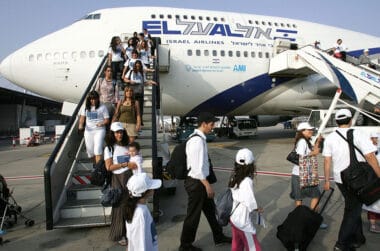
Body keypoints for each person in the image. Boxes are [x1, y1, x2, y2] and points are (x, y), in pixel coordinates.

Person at [323, 109, 380, 251]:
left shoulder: (330, 137)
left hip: (340, 179)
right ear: (350, 120)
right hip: (358, 178)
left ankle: (358, 238)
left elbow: (327, 161)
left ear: (336, 121)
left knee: (354, 206)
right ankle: (341, 244)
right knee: (352, 210)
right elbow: (371, 157)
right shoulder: (359, 134)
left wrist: (327, 180)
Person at [179, 112, 231, 251]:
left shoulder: (199, 138)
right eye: (211, 124)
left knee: (211, 211)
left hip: (199, 181)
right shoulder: (197, 141)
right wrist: (207, 186)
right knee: (193, 216)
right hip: (197, 183)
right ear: (203, 124)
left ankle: (218, 237)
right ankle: (185, 245)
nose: (213, 127)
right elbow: (196, 168)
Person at [104, 122, 137, 245]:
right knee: (118, 206)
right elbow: (109, 167)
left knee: (129, 204)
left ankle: (130, 232)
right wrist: (124, 164)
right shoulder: (109, 148)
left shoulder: (127, 145)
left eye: (121, 132)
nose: (120, 134)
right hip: (117, 178)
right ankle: (119, 235)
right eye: (117, 132)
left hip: (129, 176)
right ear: (112, 134)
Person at [229, 148, 263, 251]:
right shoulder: (247, 181)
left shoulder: (234, 176)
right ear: (251, 164)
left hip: (234, 217)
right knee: (254, 248)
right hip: (243, 222)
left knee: (237, 245)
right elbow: (249, 201)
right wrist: (258, 209)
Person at [126, 172, 162, 251]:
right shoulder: (140, 213)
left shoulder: (137, 207)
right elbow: (139, 245)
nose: (153, 189)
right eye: (151, 187)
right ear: (145, 192)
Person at [290, 123, 322, 210]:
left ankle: (308, 219)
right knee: (312, 196)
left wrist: (318, 141)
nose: (311, 131)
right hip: (301, 175)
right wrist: (313, 153)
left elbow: (311, 151)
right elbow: (301, 156)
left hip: (305, 174)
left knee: (301, 198)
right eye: (309, 130)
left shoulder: (306, 141)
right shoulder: (302, 141)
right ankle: (309, 218)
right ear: (302, 131)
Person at [78, 91, 109, 164]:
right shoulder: (85, 107)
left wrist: (102, 123)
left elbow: (107, 120)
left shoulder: (103, 107)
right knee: (90, 152)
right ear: (89, 99)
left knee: (97, 149)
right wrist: (80, 125)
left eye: (95, 99)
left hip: (99, 130)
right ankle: (96, 165)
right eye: (91, 99)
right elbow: (82, 118)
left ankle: (98, 169)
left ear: (98, 99)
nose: (93, 101)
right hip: (88, 131)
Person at [123, 60, 157, 125]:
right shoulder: (131, 71)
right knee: (132, 106)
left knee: (140, 107)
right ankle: (132, 120)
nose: (138, 67)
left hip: (140, 91)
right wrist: (130, 81)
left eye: (139, 66)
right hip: (132, 91)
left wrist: (152, 82)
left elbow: (144, 82)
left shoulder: (142, 73)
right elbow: (125, 78)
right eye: (136, 65)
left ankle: (139, 120)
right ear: (135, 66)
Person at [362, 132, 380, 233]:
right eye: (372, 138)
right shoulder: (366, 151)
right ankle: (373, 224)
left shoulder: (378, 150)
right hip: (371, 180)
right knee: (372, 202)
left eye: (376, 138)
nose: (374, 140)